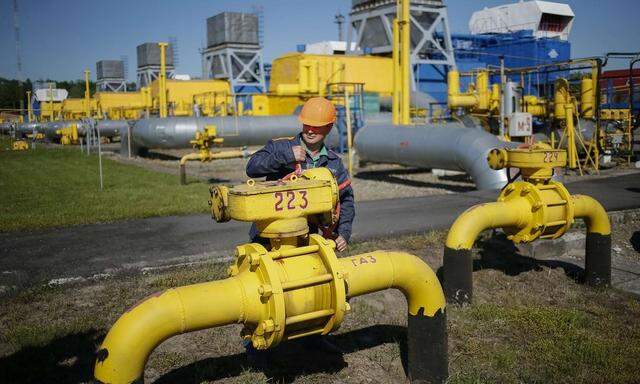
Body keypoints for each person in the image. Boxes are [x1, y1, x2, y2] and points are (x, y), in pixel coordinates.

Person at [246, 97, 355, 252]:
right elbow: (252, 168)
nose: (310, 130)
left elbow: (346, 200)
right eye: (307, 124)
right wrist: (286, 156)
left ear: (329, 127)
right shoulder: (281, 146)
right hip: (268, 234)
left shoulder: (333, 162)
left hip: (306, 237)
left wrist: (343, 233)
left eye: (316, 126)